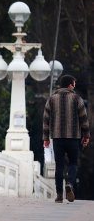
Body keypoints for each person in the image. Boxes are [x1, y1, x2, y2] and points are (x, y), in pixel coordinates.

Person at [43, 74, 90, 203]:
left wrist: (45, 138)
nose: (74, 86)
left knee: (59, 165)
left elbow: (46, 120)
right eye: (74, 84)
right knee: (73, 163)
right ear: (70, 85)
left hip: (57, 137)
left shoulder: (52, 99)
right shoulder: (76, 98)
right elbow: (84, 119)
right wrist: (86, 135)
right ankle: (69, 183)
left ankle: (59, 195)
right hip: (73, 137)